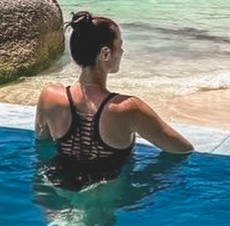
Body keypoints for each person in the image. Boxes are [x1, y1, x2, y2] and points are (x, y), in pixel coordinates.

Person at [35, 11, 193, 191]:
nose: (122, 52)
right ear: (105, 53)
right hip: (107, 195)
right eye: (120, 46)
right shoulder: (128, 108)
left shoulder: (49, 97)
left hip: (57, 188)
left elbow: (42, 145)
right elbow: (182, 149)